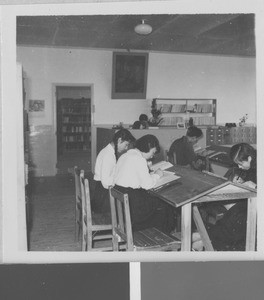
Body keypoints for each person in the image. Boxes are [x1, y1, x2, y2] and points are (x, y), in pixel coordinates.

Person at [113, 134, 176, 234]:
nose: (153, 155)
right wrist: (158, 175)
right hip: (132, 204)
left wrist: (151, 175)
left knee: (157, 204)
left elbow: (137, 178)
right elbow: (147, 185)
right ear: (148, 147)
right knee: (164, 205)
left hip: (121, 199)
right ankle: (160, 237)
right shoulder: (139, 159)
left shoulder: (125, 155)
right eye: (153, 152)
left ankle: (160, 234)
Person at [201, 143, 257, 251]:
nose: (239, 167)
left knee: (235, 215)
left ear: (249, 158)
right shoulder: (252, 166)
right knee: (232, 213)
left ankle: (209, 238)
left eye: (240, 163)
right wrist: (242, 182)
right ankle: (210, 237)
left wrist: (255, 186)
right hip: (251, 199)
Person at [92, 129, 136, 213]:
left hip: (100, 193)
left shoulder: (108, 151)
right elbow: (106, 184)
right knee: (131, 200)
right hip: (103, 198)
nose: (126, 148)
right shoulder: (108, 155)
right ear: (119, 140)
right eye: (126, 145)